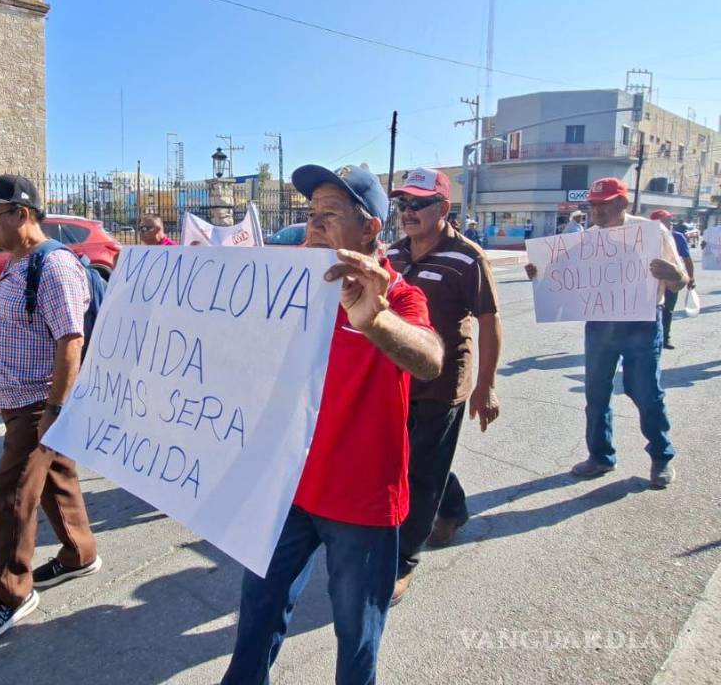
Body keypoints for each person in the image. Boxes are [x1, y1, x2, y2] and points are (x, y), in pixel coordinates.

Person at [222, 164, 444, 685]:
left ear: (370, 229)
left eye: (331, 215)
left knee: (356, 632)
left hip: (361, 501)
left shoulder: (400, 296)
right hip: (288, 490)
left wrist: (376, 320)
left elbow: (430, 358)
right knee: (257, 612)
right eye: (311, 215)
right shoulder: (286, 287)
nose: (314, 226)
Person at [0, 175, 102, 641]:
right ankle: (79, 553)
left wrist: (57, 408)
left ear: (22, 215)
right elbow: (15, 330)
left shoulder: (54, 265)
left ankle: (12, 593)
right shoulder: (17, 261)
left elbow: (70, 340)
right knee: (56, 477)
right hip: (18, 396)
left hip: (40, 401)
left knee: (12, 494)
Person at [525, 178, 688, 489]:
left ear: (622, 204)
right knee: (596, 393)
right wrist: (538, 272)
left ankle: (662, 456)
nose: (595, 210)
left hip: (641, 323)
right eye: (592, 204)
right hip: (601, 323)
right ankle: (600, 456)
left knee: (644, 391)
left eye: (603, 204)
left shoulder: (652, 233)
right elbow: (559, 276)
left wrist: (675, 275)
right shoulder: (587, 240)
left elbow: (680, 279)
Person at [385, 168, 502, 602]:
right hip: (397, 380)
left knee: (421, 472)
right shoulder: (393, 255)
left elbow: (489, 320)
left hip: (442, 383)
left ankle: (403, 561)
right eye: (403, 204)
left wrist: (485, 385)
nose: (408, 212)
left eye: (418, 203)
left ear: (443, 208)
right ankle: (453, 508)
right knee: (417, 459)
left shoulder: (467, 257)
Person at [650, 210, 695, 350]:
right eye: (666, 220)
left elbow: (687, 259)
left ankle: (665, 337)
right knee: (651, 311)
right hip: (652, 281)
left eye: (670, 220)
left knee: (667, 310)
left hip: (671, 279)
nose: (670, 223)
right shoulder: (644, 236)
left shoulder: (677, 237)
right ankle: (649, 338)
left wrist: (690, 278)